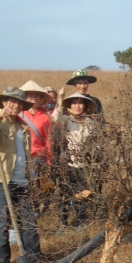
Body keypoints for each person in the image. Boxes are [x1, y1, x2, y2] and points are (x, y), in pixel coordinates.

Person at [0, 86, 45, 263]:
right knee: (1, 222)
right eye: (11, 101)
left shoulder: (23, 126)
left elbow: (26, 155)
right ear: (4, 103)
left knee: (29, 222)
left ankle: (35, 259)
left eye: (19, 102)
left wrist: (31, 179)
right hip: (0, 179)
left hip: (22, 181)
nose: (15, 105)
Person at [51, 91, 99, 231]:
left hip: (85, 165)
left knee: (83, 195)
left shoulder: (91, 123)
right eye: (74, 103)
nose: (77, 106)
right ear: (69, 106)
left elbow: (95, 144)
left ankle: (80, 222)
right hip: (67, 164)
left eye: (80, 103)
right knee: (65, 194)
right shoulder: (65, 120)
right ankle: (63, 223)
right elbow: (55, 118)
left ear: (85, 106)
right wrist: (60, 99)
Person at [19, 80, 53, 214]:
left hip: (39, 156)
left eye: (36, 96)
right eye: (29, 95)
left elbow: (50, 140)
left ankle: (38, 208)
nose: (33, 98)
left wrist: (50, 159)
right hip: (21, 155)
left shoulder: (46, 117)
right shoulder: (19, 115)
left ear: (41, 99)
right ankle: (28, 208)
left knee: (38, 183)